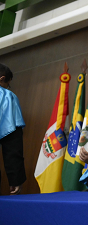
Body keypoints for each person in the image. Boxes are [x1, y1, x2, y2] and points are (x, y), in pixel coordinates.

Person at [0, 64, 26, 195]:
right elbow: (12, 145)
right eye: (7, 84)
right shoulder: (7, 97)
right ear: (2, 78)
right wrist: (15, 179)